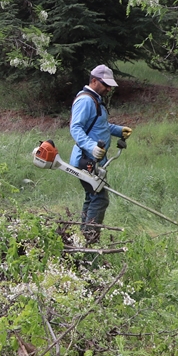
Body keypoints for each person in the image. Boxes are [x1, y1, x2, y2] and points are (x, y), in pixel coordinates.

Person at [69, 64, 132, 243]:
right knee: (99, 198)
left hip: (93, 160)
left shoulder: (96, 100)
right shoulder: (86, 100)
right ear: (94, 80)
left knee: (92, 196)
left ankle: (81, 239)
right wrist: (91, 147)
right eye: (106, 84)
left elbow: (100, 125)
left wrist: (119, 130)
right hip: (85, 159)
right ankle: (89, 239)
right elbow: (75, 128)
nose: (108, 89)